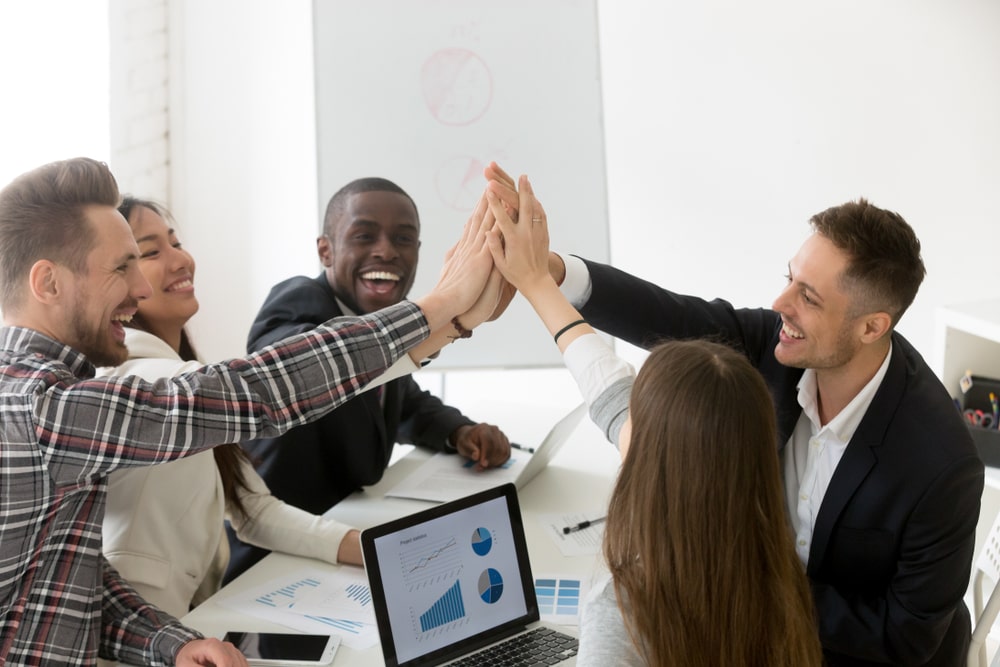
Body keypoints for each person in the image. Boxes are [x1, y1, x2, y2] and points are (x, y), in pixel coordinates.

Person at [0, 157, 500, 666]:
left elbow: (65, 586)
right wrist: (438, 311)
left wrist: (173, 644)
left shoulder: (54, 400)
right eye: (123, 266)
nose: (142, 287)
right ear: (49, 284)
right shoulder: (40, 410)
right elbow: (257, 391)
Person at [484, 164, 984, 667]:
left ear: (873, 326)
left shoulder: (940, 462)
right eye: (791, 279)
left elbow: (907, 637)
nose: (780, 304)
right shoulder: (779, 345)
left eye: (808, 298)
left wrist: (741, 583)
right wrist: (550, 274)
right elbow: (663, 324)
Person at [482, 174, 824, 665]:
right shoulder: (779, 575)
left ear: (651, 454)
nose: (627, 420)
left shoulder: (625, 608)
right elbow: (605, 383)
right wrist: (538, 281)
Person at [95, 196, 378, 631]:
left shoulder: (179, 369)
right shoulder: (143, 380)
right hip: (137, 641)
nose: (180, 260)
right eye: (151, 252)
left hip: (187, 630)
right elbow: (271, 388)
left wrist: (368, 547)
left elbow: (252, 511)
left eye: (176, 243)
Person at [224, 177, 512, 583]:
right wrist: (447, 312)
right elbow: (310, 368)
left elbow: (404, 399)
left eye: (403, 238)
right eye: (364, 235)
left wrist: (460, 431)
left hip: (349, 537)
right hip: (280, 556)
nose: (386, 250)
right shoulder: (297, 304)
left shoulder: (380, 318)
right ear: (325, 249)